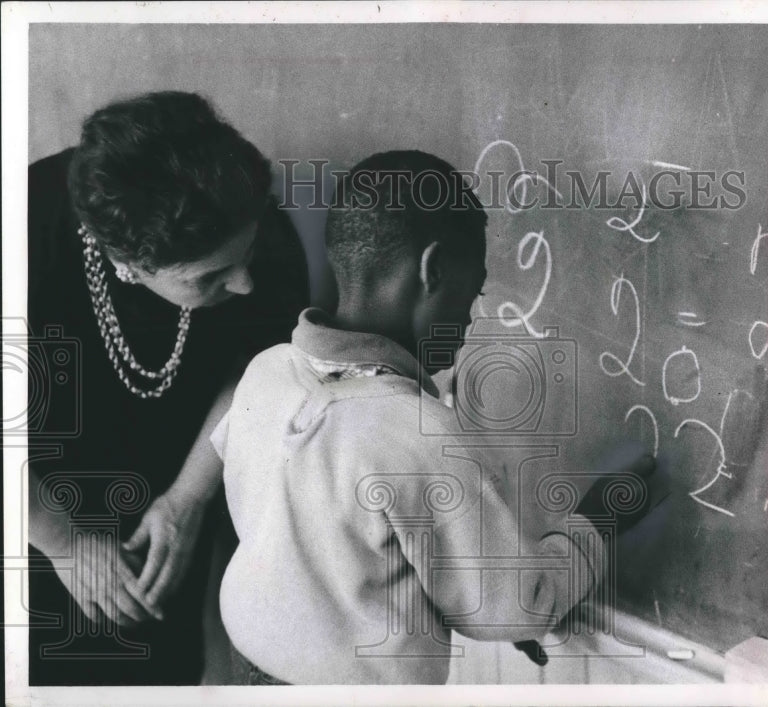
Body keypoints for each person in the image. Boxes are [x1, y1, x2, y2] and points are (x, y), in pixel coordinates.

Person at [212, 150, 657, 684]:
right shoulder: (416, 432)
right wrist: (595, 522)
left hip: (248, 668)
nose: (471, 318)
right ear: (433, 269)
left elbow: (316, 525)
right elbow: (517, 604)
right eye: (473, 293)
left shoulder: (266, 373)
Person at [26, 91, 309, 685]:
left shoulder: (242, 212)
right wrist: (61, 540)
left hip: (170, 486)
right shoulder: (24, 227)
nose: (246, 283)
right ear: (127, 263)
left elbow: (265, 368)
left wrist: (186, 498)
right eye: (208, 277)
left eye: (248, 254)